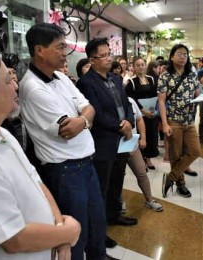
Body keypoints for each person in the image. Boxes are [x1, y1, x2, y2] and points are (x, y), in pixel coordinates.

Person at [0, 49, 81, 259]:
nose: (16, 86)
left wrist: (59, 231)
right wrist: (68, 231)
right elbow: (13, 239)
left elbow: (36, 182)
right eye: (8, 80)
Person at [19, 23, 110, 260]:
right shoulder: (32, 87)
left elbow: (87, 107)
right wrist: (84, 118)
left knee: (97, 221)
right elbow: (67, 129)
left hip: (86, 163)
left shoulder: (60, 76)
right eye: (60, 47)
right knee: (74, 233)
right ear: (39, 50)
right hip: (66, 169)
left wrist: (83, 119)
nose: (64, 53)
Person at [76, 38, 137, 249]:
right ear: (92, 60)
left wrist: (129, 121)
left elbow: (127, 103)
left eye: (109, 53)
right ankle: (99, 233)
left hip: (123, 138)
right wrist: (120, 126)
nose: (109, 57)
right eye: (104, 55)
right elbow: (96, 114)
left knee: (117, 181)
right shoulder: (86, 83)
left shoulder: (116, 79)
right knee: (101, 186)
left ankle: (113, 215)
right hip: (103, 141)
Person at [158, 43, 201, 198]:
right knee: (175, 155)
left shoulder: (191, 74)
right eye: (179, 54)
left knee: (195, 151)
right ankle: (180, 184)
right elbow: (161, 101)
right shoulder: (165, 76)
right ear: (172, 57)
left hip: (189, 121)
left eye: (185, 54)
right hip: (174, 120)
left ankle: (171, 177)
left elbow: (197, 95)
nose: (183, 56)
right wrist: (164, 123)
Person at [126, 97, 163, 211]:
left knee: (141, 172)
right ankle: (118, 202)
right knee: (117, 175)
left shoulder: (130, 101)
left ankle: (149, 200)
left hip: (131, 142)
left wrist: (143, 138)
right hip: (113, 143)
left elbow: (139, 119)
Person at [125, 56, 159, 170]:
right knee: (140, 136)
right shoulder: (131, 82)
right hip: (140, 114)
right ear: (133, 67)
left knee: (151, 136)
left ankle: (148, 158)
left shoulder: (151, 79)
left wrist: (153, 109)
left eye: (142, 64)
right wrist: (142, 110)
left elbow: (155, 94)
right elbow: (131, 98)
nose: (140, 67)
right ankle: (141, 160)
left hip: (151, 112)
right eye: (137, 65)